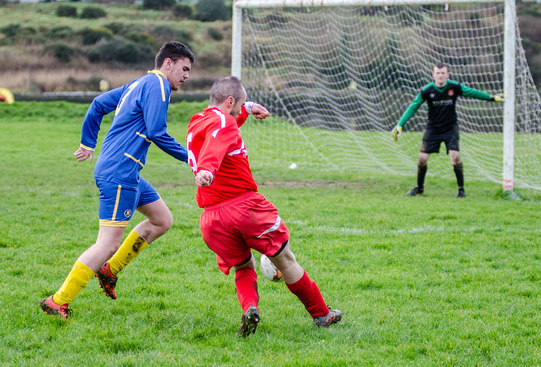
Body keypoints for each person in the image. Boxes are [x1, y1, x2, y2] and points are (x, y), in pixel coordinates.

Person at [40, 41, 195, 319]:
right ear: (167, 63)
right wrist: (192, 158)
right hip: (119, 173)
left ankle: (109, 270)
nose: (186, 76)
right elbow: (157, 131)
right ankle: (57, 301)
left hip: (126, 171)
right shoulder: (158, 85)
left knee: (162, 220)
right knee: (107, 243)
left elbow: (99, 104)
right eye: (184, 69)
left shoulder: (138, 84)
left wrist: (88, 143)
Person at [187, 76, 342, 337]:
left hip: (212, 218)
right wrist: (206, 170)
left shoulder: (197, 121)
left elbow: (222, 128)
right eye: (240, 104)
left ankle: (250, 308)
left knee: (244, 267)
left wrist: (247, 109)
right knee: (286, 259)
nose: (240, 109)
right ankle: (321, 314)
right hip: (245, 208)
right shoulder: (223, 123)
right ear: (229, 101)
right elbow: (217, 140)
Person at [392, 62, 504, 198]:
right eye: (437, 73)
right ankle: (420, 188)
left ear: (447, 74)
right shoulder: (427, 90)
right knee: (422, 159)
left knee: (455, 157)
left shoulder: (454, 87)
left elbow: (472, 93)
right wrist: (400, 124)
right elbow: (413, 107)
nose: (440, 76)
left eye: (442, 73)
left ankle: (461, 190)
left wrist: (491, 97)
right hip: (432, 128)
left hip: (450, 128)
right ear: (433, 75)